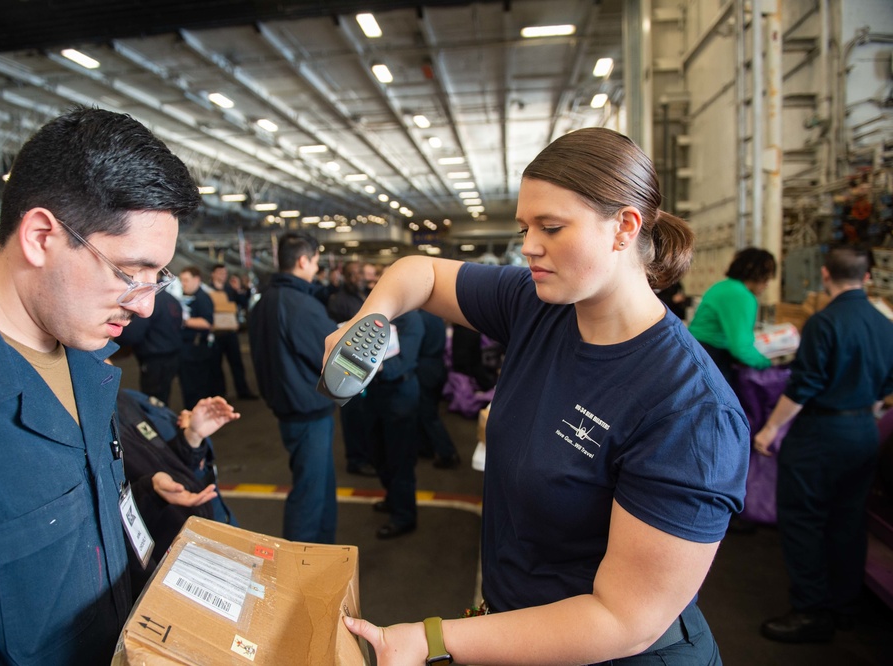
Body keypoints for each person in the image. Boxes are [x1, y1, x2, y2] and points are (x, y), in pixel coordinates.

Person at [332, 127, 749, 665]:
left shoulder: (691, 412)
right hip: (518, 628)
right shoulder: (540, 304)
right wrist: (369, 318)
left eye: (551, 227)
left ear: (624, 227)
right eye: (526, 226)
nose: (529, 246)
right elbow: (422, 272)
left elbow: (623, 621)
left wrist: (433, 640)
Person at [0, 107, 199, 664]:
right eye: (130, 274)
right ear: (40, 236)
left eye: (159, 278)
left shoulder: (82, 357)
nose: (147, 304)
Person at [753, 246, 893, 643]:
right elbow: (887, 385)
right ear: (867, 277)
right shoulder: (887, 325)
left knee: (803, 521)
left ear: (826, 275)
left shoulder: (823, 323)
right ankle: (844, 607)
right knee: (849, 521)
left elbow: (803, 386)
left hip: (819, 435)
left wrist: (769, 430)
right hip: (864, 431)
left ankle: (810, 610)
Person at [248, 231, 339, 544]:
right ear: (303, 261)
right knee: (310, 495)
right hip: (308, 411)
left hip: (287, 406)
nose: (316, 269)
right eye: (315, 261)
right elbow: (332, 357)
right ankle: (300, 564)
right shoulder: (301, 305)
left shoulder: (264, 302)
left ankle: (324, 550)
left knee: (320, 486)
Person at [117, 388, 240, 598]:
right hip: (169, 562)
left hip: (200, 529)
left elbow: (166, 461)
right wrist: (151, 490)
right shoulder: (81, 420)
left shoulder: (123, 400)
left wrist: (192, 437)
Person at [367, 309, 423, 539]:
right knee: (378, 452)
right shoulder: (377, 316)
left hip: (400, 393)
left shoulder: (410, 320)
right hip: (376, 393)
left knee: (400, 459)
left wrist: (367, 362)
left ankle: (404, 516)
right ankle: (393, 498)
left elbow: (402, 363)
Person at [688, 248, 776, 387]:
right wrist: (767, 364)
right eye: (766, 278)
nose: (766, 285)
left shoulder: (723, 286)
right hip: (712, 357)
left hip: (697, 352)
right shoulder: (741, 296)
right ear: (757, 274)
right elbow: (740, 348)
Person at [328, 261, 377, 477]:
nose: (358, 277)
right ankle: (356, 460)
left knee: (366, 415)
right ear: (345, 277)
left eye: (360, 272)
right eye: (353, 274)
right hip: (348, 367)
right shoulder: (338, 302)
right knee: (353, 416)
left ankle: (366, 454)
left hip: (364, 363)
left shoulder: (365, 296)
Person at [117, 286, 184, 404]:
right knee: (163, 394)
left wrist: (117, 341)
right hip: (172, 355)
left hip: (154, 359)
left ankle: (156, 420)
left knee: (152, 399)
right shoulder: (171, 299)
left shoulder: (148, 300)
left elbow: (133, 334)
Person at [416, 309, 460, 468]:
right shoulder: (436, 316)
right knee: (428, 411)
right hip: (438, 367)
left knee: (428, 415)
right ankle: (426, 448)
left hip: (425, 370)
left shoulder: (419, 318)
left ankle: (447, 453)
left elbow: (417, 346)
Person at [209, 263, 258, 401]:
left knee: (237, 363)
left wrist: (242, 290)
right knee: (216, 366)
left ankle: (243, 390)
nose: (223, 276)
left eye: (224, 273)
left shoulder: (230, 289)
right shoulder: (208, 291)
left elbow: (243, 303)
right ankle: (220, 394)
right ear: (213, 274)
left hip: (231, 333)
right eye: (220, 273)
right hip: (215, 334)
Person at [177, 265, 219, 408]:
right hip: (187, 350)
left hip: (197, 351)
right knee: (188, 387)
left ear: (196, 279)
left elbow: (207, 322)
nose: (184, 283)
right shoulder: (188, 296)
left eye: (186, 280)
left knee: (197, 388)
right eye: (182, 280)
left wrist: (183, 321)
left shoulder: (202, 298)